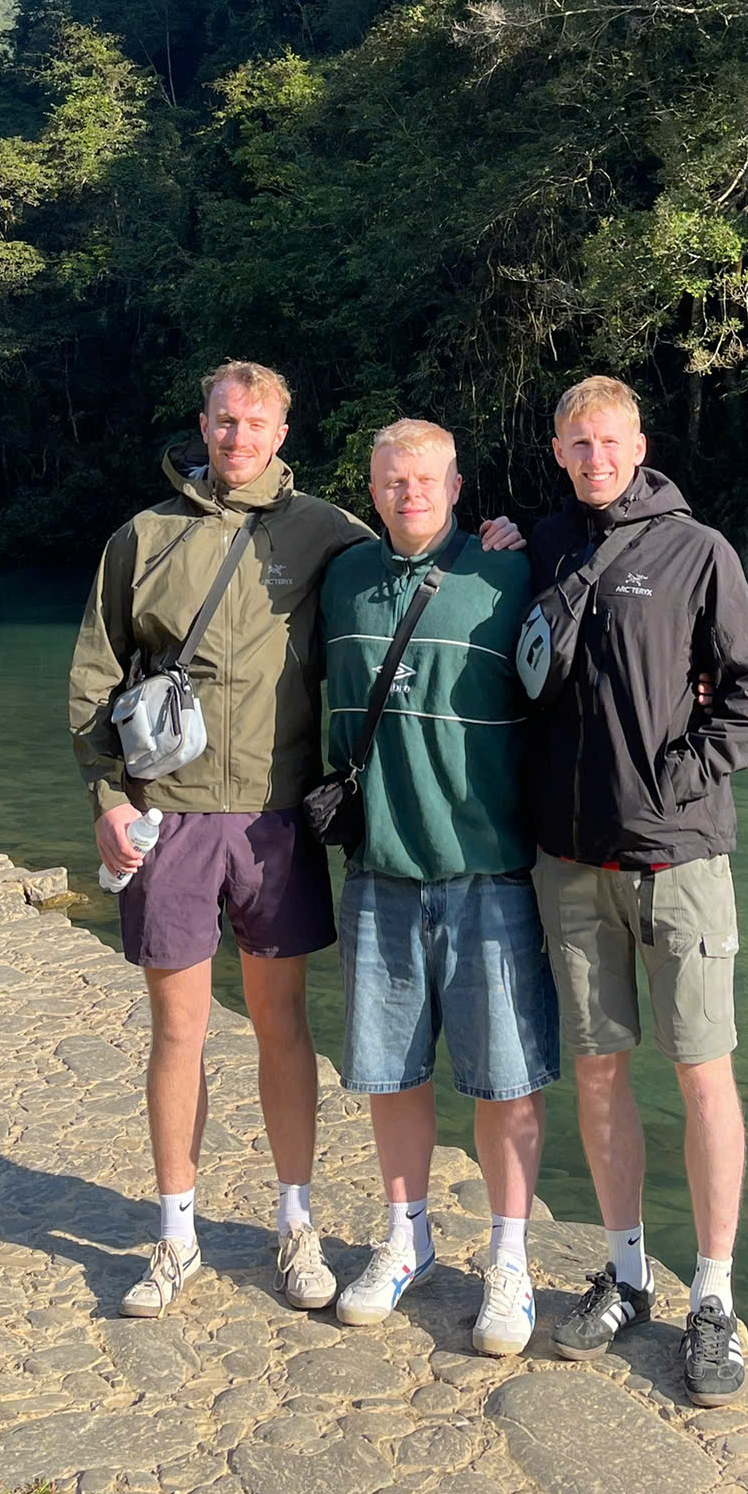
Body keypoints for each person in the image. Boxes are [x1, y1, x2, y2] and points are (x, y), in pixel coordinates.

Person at [68, 361, 519, 1323]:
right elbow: (93, 676)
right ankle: (175, 1233)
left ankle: (295, 1224)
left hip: (277, 821)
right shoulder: (143, 536)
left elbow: (413, 555)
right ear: (203, 424)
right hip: (172, 813)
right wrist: (108, 797)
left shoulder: (325, 532)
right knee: (178, 1031)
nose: (238, 437)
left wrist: (491, 544)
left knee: (284, 1029)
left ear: (282, 431)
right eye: (225, 421)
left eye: (257, 422)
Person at [524, 375, 748, 1406]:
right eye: (576, 442)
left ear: (640, 443)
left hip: (679, 863)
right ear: (557, 451)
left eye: (609, 440)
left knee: (703, 1073)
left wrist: (670, 782)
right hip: (573, 866)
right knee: (596, 1072)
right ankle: (626, 1272)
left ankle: (713, 1296)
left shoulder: (698, 551)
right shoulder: (541, 547)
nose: (594, 456)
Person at [321, 419, 555, 1357]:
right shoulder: (340, 578)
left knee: (505, 1080)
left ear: (459, 485)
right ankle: (405, 1236)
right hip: (378, 867)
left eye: (424, 478)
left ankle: (510, 1258)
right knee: (393, 1071)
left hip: (487, 869)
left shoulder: (509, 574)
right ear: (370, 488)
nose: (408, 492)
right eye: (390, 480)